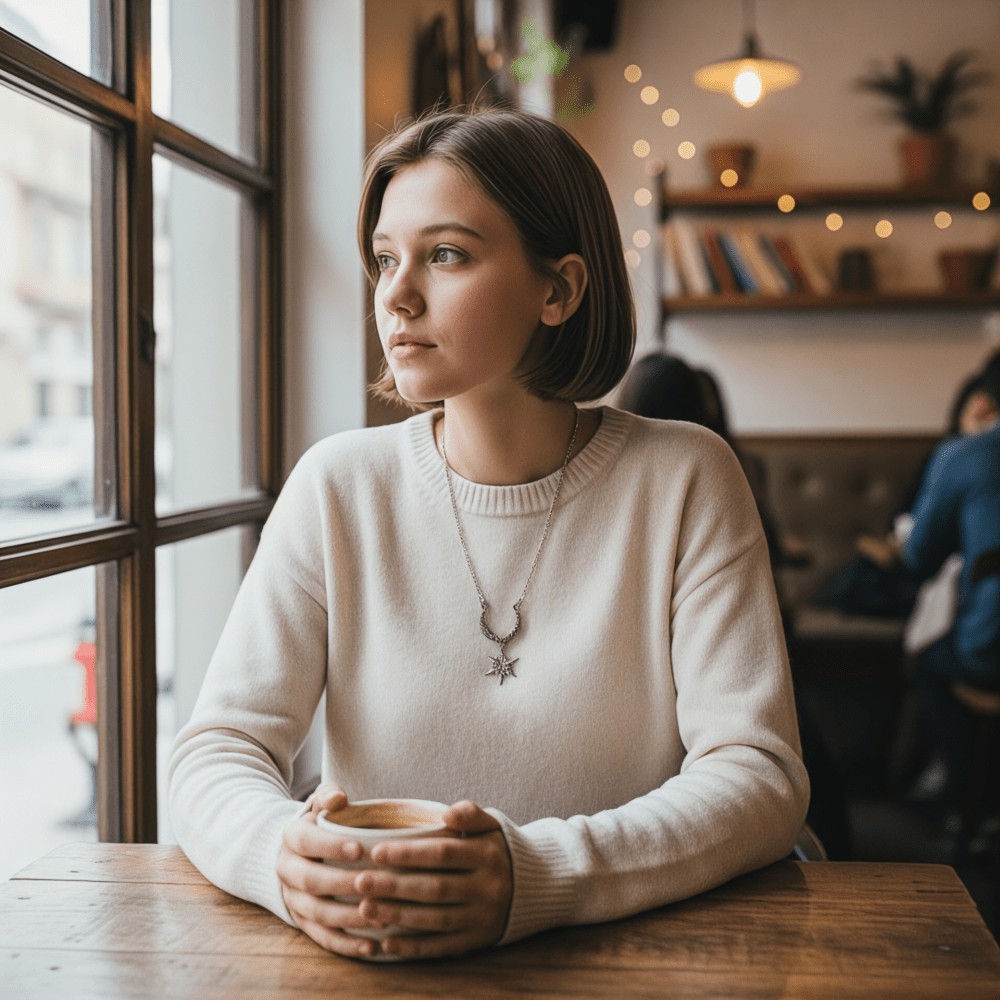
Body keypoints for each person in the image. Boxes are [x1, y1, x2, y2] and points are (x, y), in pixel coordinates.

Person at [168, 106, 808, 963]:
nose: (395, 294)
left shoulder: (686, 477)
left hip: (629, 965)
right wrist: (280, 859)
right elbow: (217, 750)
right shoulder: (339, 484)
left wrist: (539, 875)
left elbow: (760, 777)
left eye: (445, 255)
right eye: (385, 259)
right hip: (377, 964)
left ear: (560, 290)